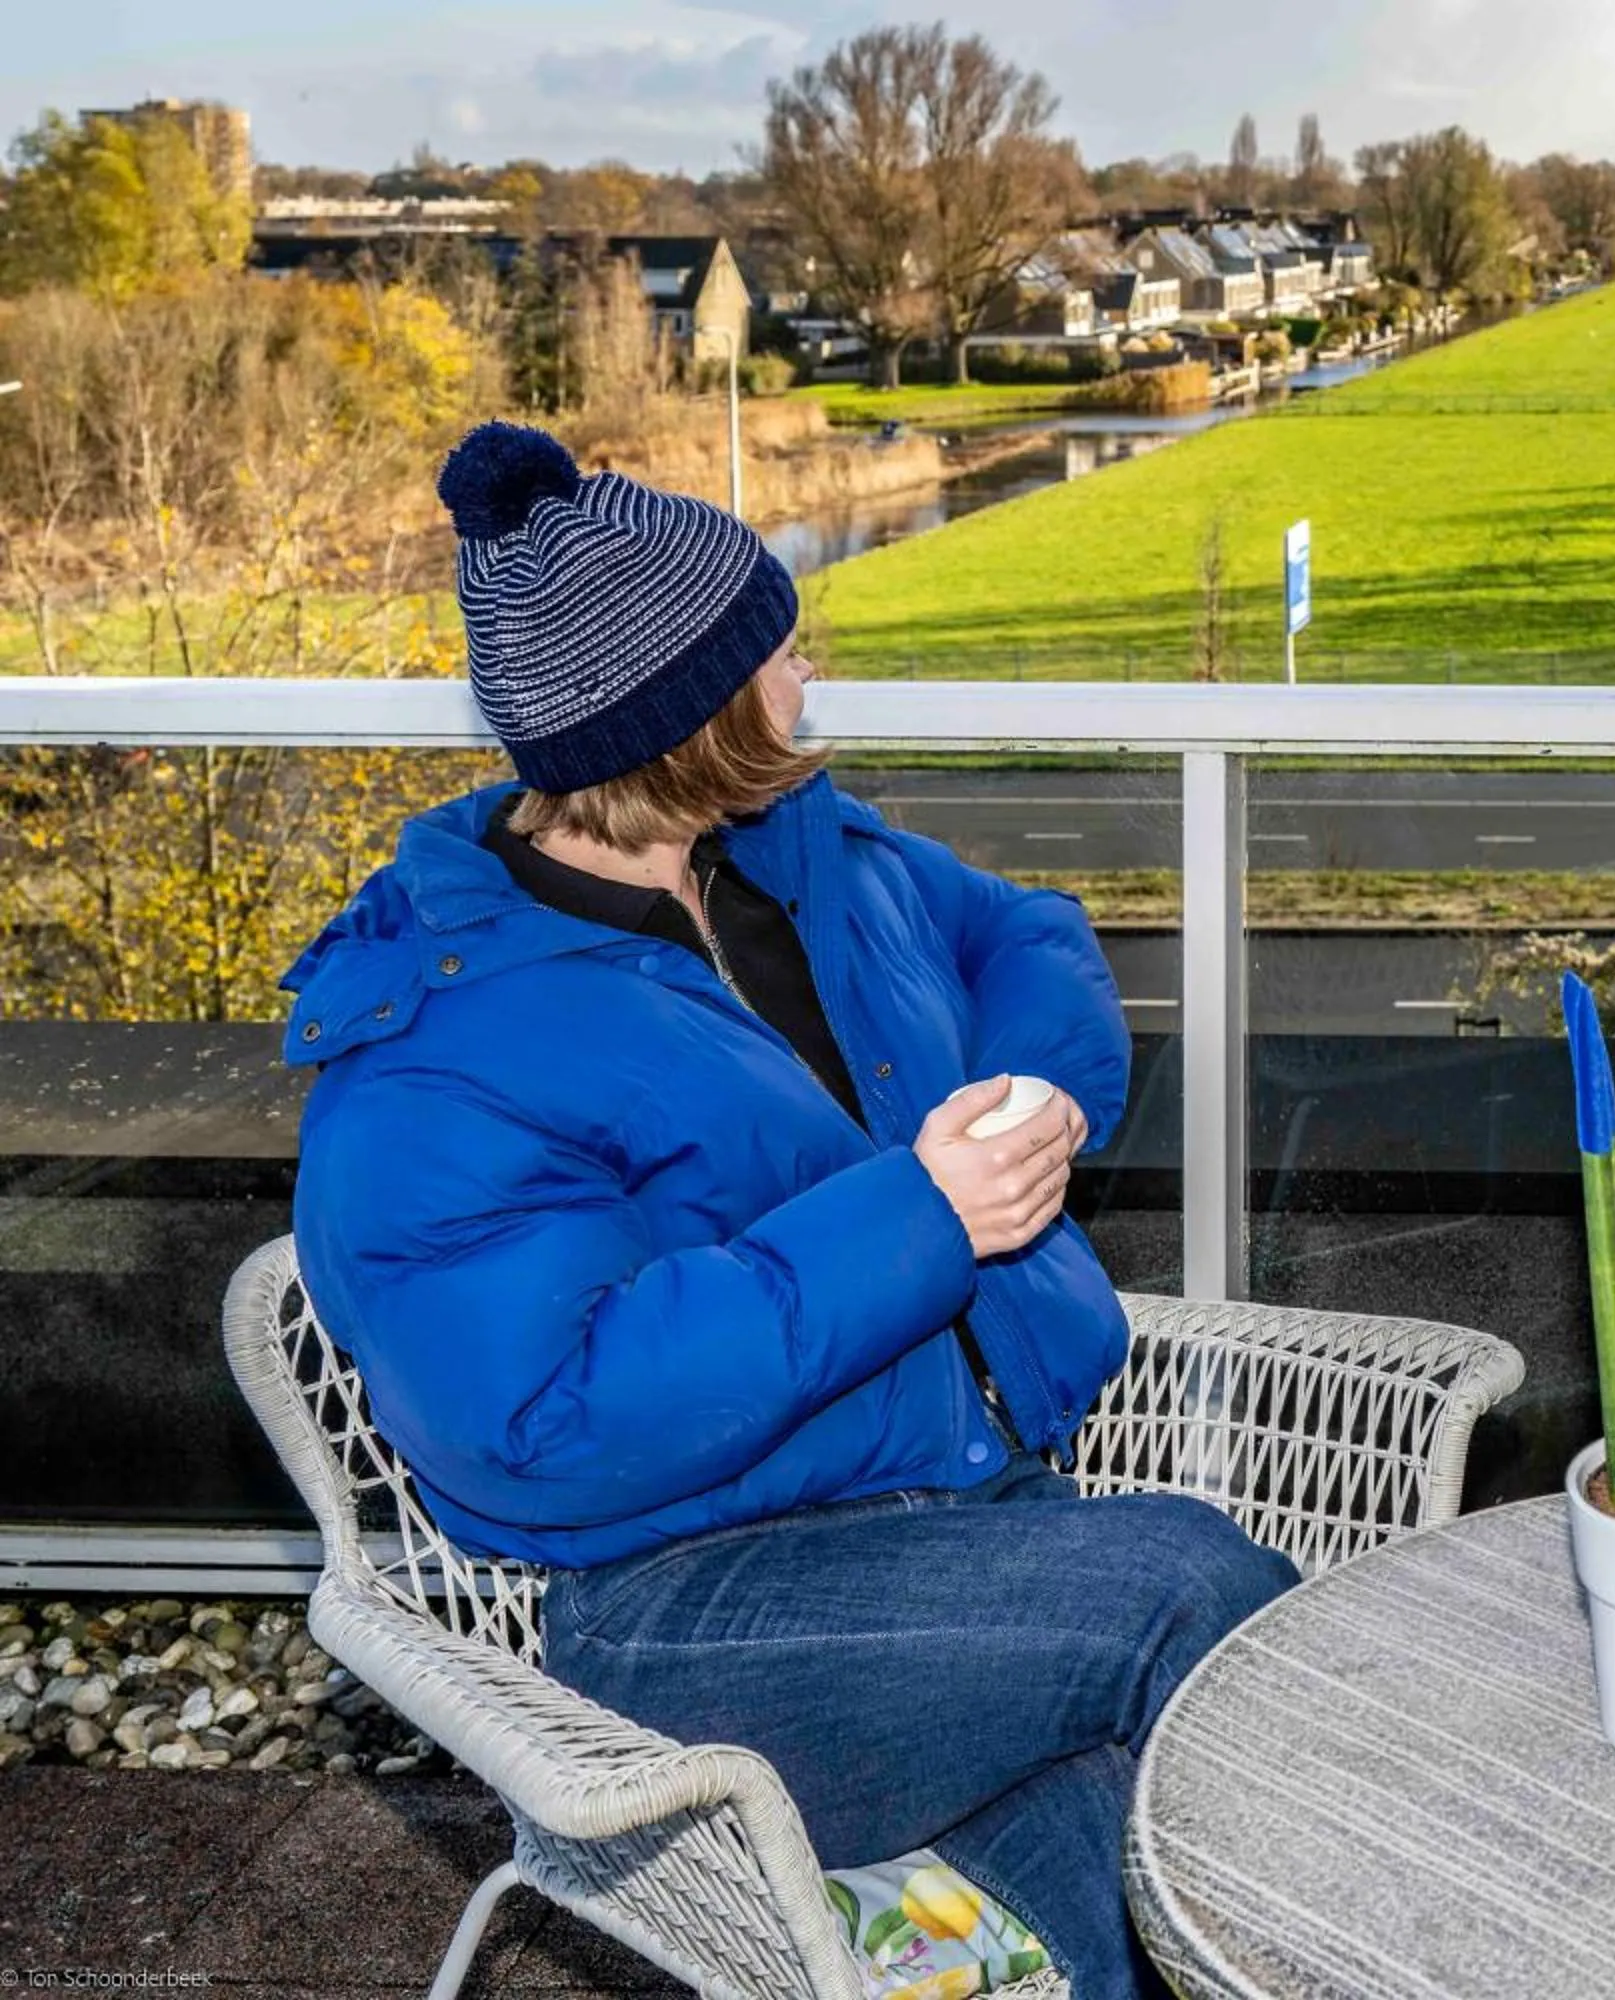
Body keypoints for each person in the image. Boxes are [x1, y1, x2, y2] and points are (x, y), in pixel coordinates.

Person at [282, 421, 1295, 2000]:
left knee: (1138, 1899)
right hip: (699, 1606)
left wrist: (1038, 1101)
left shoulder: (802, 856)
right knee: (1195, 1586)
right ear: (687, 712)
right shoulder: (437, 1050)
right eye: (776, 648)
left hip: (969, 1519)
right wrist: (926, 1218)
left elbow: (1025, 937)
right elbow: (541, 1418)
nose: (805, 670)